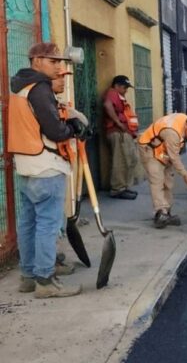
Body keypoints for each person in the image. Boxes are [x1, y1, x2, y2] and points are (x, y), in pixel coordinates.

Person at [8, 42, 90, 298]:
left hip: (26, 164)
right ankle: (45, 281)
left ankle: (28, 276)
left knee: (29, 223)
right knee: (46, 224)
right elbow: (54, 131)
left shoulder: (21, 87)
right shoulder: (40, 88)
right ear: (36, 61)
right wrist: (73, 129)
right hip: (46, 164)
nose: (59, 67)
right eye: (53, 62)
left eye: (60, 62)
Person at [137, 113, 187, 228]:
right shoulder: (172, 133)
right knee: (157, 181)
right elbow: (174, 158)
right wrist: (185, 174)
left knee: (168, 181)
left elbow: (172, 155)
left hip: (163, 150)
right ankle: (161, 214)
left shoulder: (184, 121)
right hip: (149, 148)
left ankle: (167, 212)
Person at [103, 75, 139, 200]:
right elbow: (107, 105)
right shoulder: (112, 93)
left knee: (130, 159)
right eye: (124, 87)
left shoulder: (120, 96)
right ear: (117, 86)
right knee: (120, 161)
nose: (126, 90)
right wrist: (118, 123)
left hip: (124, 133)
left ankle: (124, 187)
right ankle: (118, 189)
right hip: (117, 132)